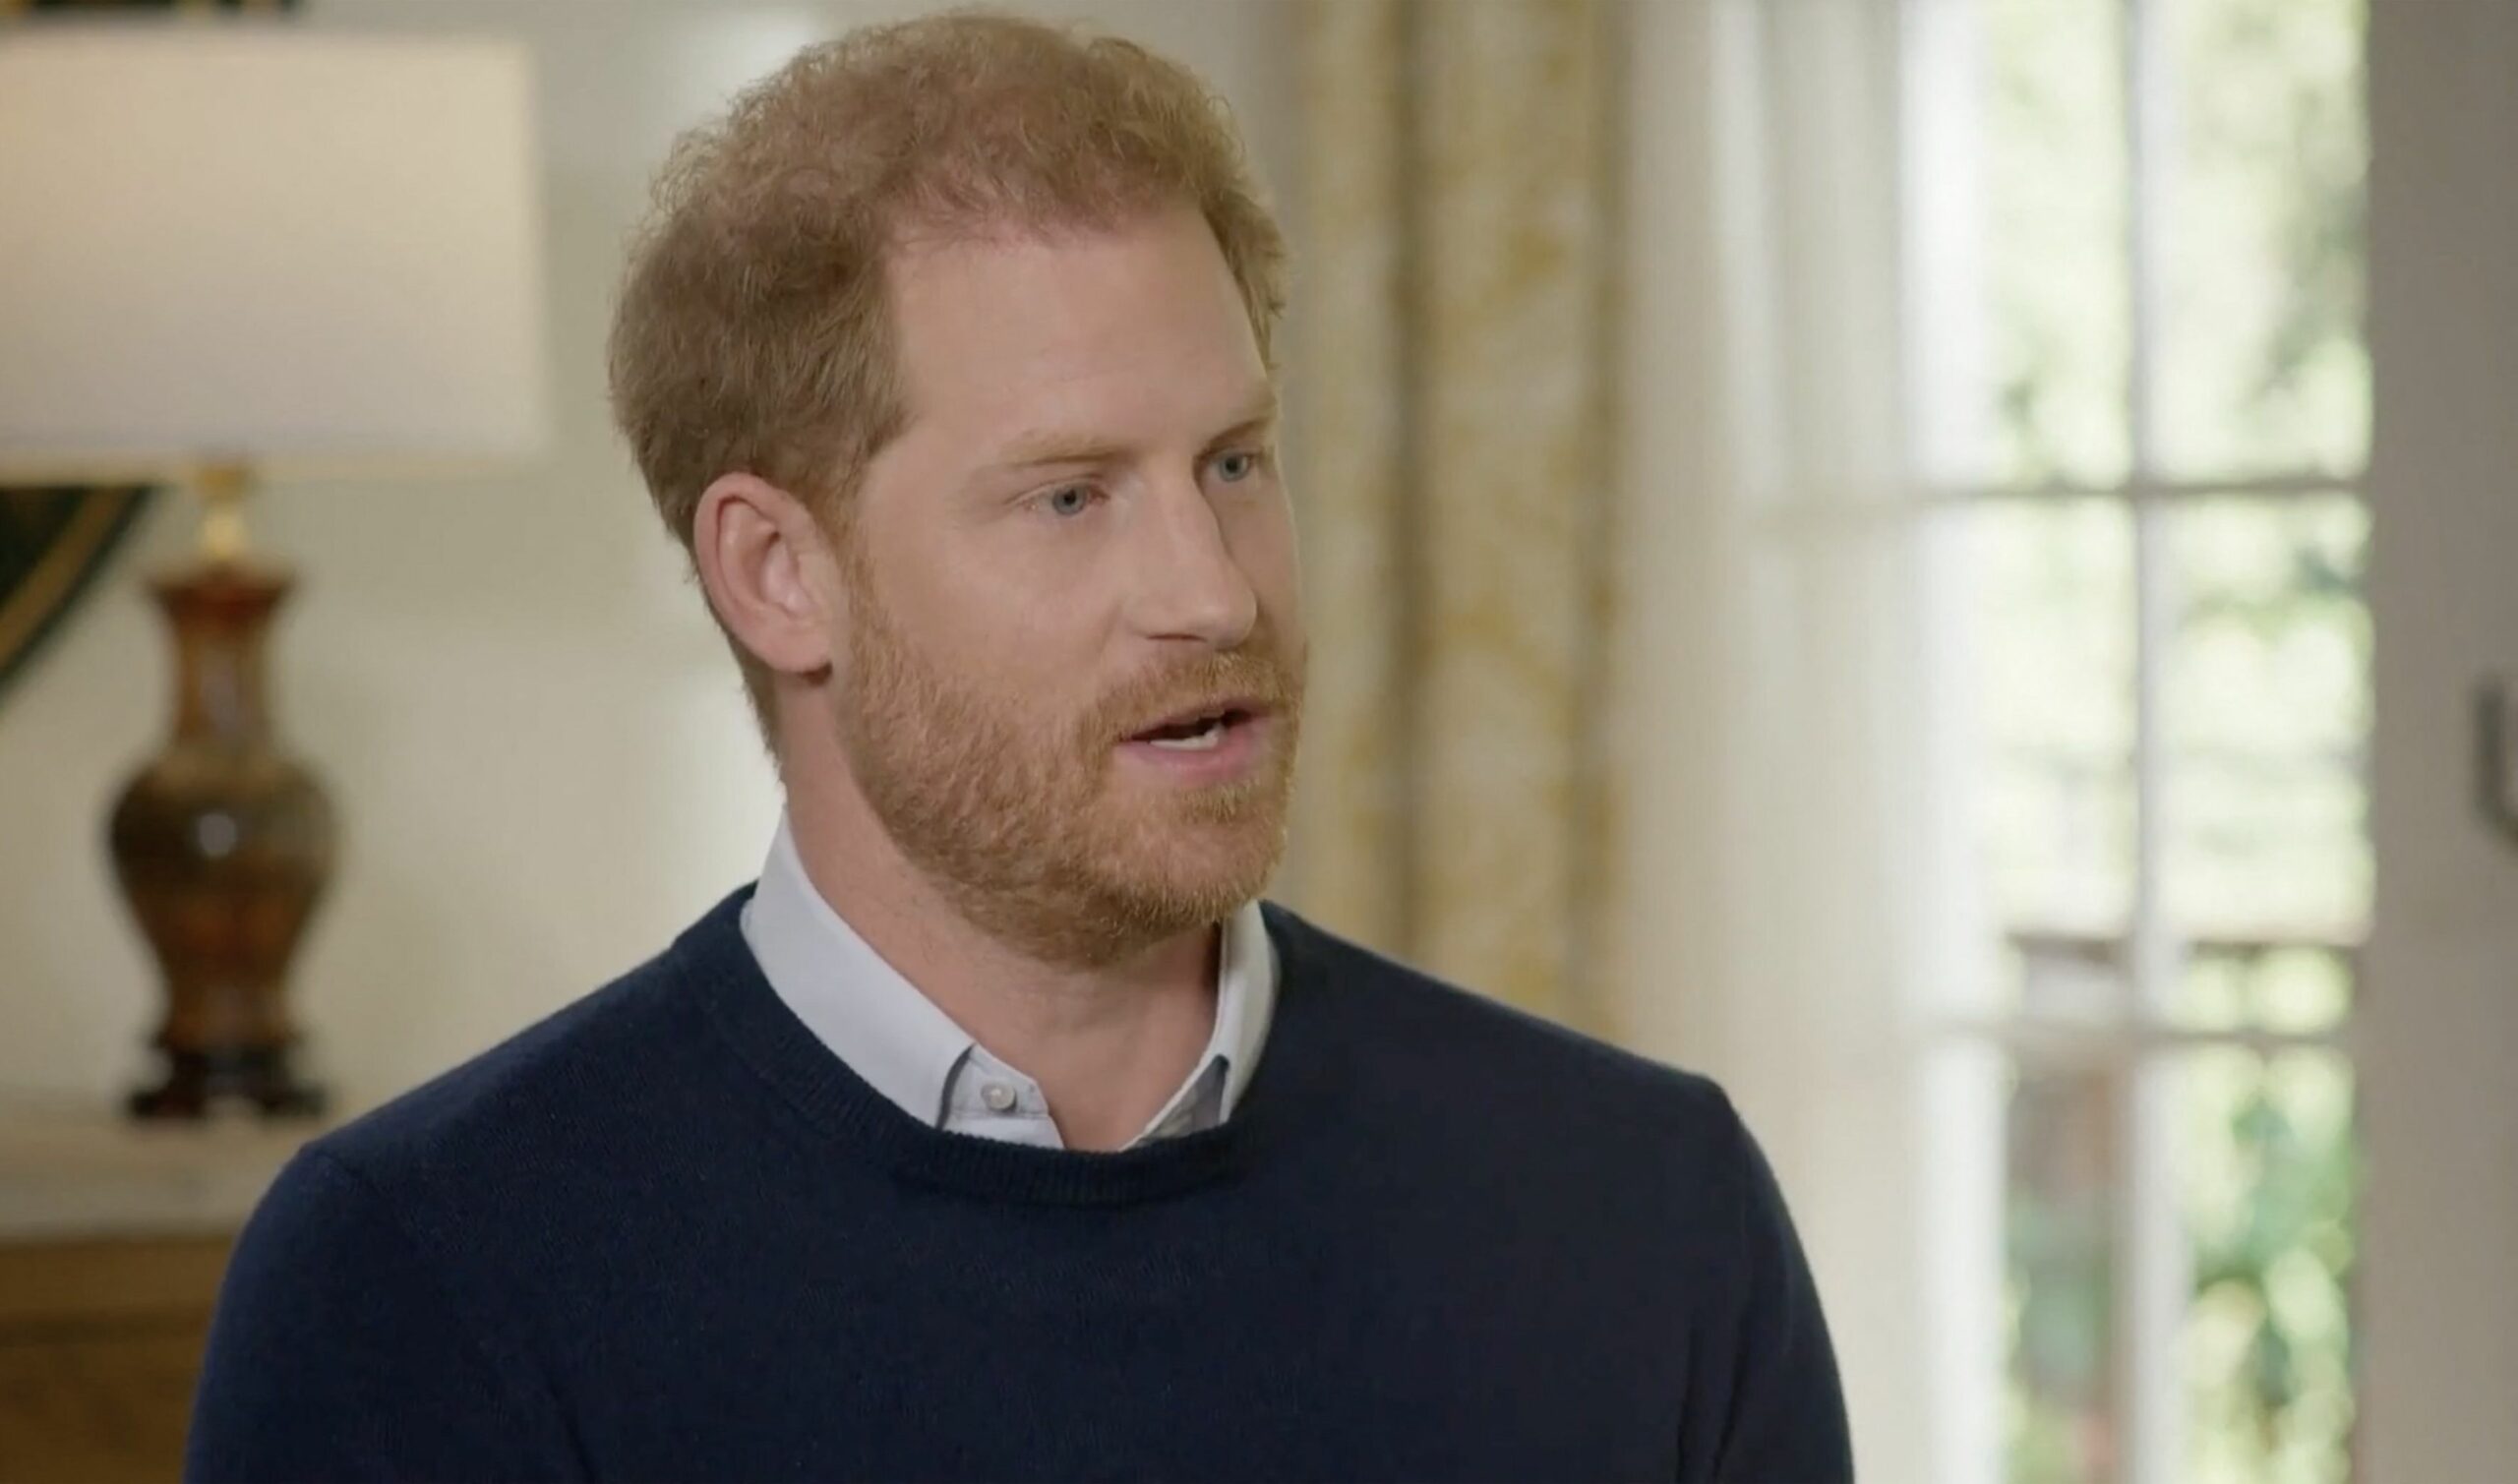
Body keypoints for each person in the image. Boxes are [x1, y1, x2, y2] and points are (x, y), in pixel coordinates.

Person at [185, 11, 1851, 1481]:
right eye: (1070, 495)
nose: (1213, 592)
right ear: (779, 573)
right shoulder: (424, 1281)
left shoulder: (1646, 1212)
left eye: (1235, 462)